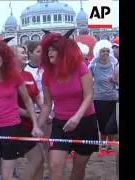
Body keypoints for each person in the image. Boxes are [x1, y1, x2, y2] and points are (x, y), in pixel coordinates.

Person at [0, 35, 43, 180]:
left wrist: (35, 125)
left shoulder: (14, 76)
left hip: (12, 129)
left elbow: (28, 101)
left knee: (7, 175)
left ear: (5, 57)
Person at [38, 29, 99, 180]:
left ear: (63, 51)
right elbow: (47, 104)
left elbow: (89, 95)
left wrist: (77, 117)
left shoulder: (80, 67)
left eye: (53, 50)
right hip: (60, 125)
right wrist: (37, 125)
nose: (49, 53)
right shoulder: (47, 74)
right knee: (54, 167)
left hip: (85, 122)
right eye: (48, 50)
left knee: (78, 169)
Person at [12, 45, 44, 180]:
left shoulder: (28, 74)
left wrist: (46, 110)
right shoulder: (10, 77)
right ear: (13, 57)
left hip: (32, 123)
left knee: (40, 161)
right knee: (37, 159)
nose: (26, 55)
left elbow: (37, 96)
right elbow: (12, 107)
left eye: (26, 53)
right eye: (22, 53)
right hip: (19, 125)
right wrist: (34, 116)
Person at [88, 40, 118, 157]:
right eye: (102, 51)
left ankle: (109, 146)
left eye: (107, 51)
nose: (105, 53)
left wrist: (114, 80)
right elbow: (88, 81)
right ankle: (103, 146)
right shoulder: (93, 64)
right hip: (99, 98)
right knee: (102, 123)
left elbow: (118, 80)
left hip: (112, 98)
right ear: (97, 52)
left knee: (111, 124)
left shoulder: (114, 62)